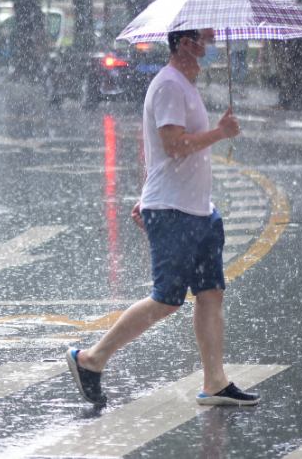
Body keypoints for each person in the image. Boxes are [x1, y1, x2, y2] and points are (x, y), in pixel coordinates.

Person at [66, 28, 257, 406]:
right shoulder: (169, 84)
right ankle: (92, 359)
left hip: (199, 210)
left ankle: (216, 382)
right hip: (175, 211)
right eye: (205, 38)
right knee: (167, 299)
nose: (211, 44)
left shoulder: (185, 84)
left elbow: (161, 154)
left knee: (210, 294)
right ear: (186, 44)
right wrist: (220, 133)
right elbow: (172, 145)